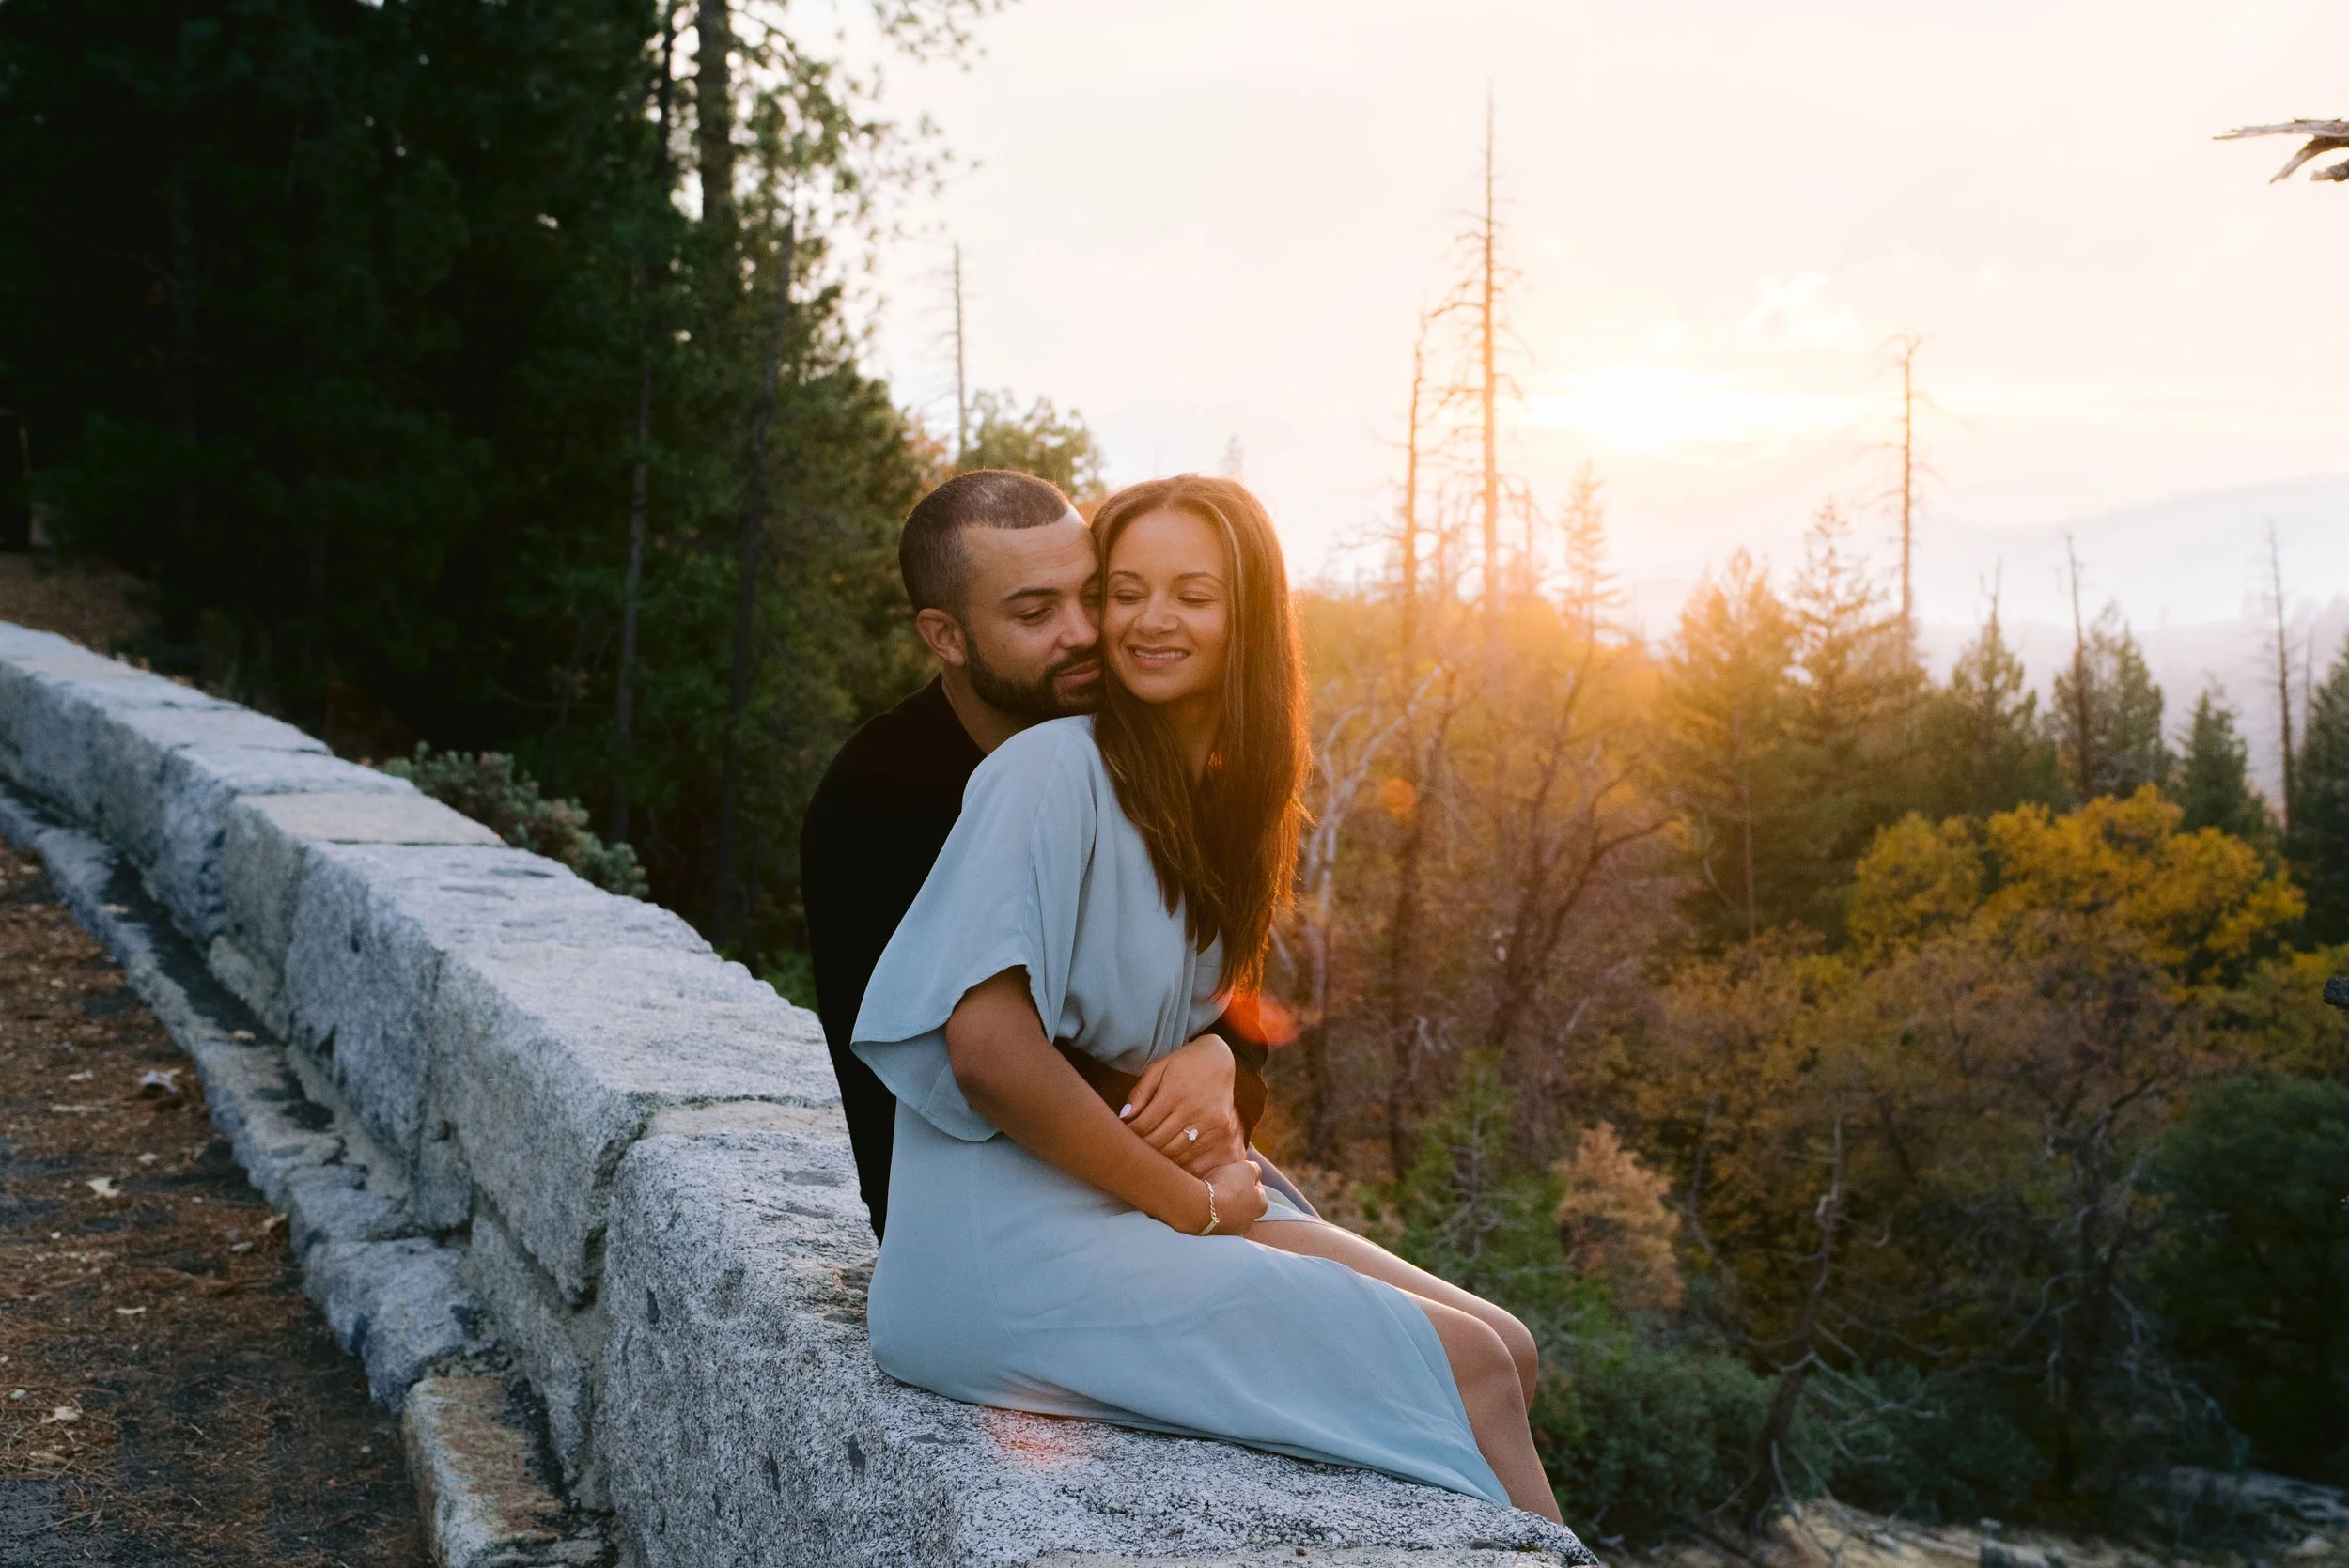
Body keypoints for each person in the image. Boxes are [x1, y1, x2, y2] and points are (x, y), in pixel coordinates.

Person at [852, 474, 1566, 1520]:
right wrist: (1193, 1203)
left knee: (1511, 1344)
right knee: (1473, 1372)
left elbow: (1176, 1021)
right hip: (1001, 1252)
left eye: (1191, 594)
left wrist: (1214, 1055)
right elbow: (987, 1049)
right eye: (1125, 591)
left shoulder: (1219, 795)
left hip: (1121, 1200)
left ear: (1249, 620)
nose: (1148, 621)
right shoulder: (1047, 770)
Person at [800, 468, 1311, 1240]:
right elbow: (977, 1062)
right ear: (946, 637)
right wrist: (1199, 1189)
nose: (1084, 633)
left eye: (1096, 595)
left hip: (1156, 1161)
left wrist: (1221, 1060)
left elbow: (1220, 993)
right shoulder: (880, 800)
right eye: (1036, 612)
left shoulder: (1141, 751)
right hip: (1002, 1200)